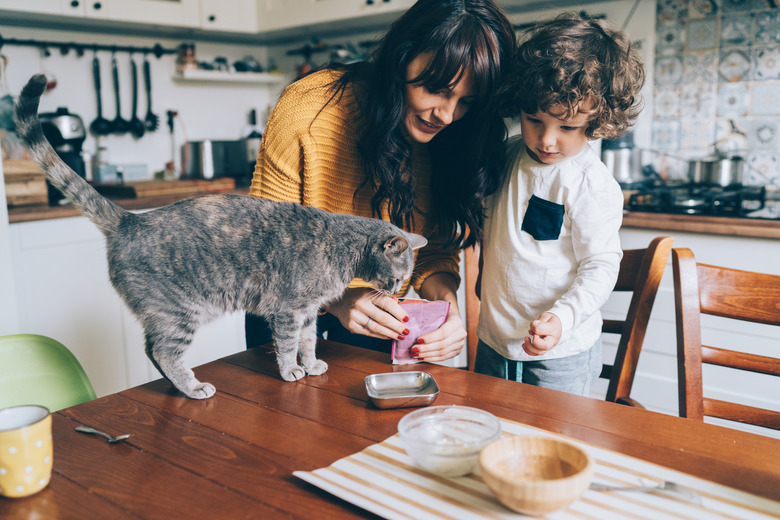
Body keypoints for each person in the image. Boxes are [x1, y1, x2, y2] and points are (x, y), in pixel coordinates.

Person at [247, 0, 516, 362]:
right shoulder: (308, 109)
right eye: (436, 88)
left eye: (466, 101)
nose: (447, 115)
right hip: (285, 312)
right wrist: (339, 299)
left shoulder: (452, 136)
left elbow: (434, 251)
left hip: (378, 315)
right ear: (401, 58)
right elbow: (262, 250)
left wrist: (446, 304)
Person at [475, 13, 645, 395]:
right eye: (534, 120)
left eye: (567, 127)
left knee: (558, 447)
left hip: (561, 355)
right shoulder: (506, 157)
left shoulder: (590, 184)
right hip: (493, 343)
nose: (546, 140)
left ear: (598, 120)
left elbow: (600, 266)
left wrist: (561, 319)